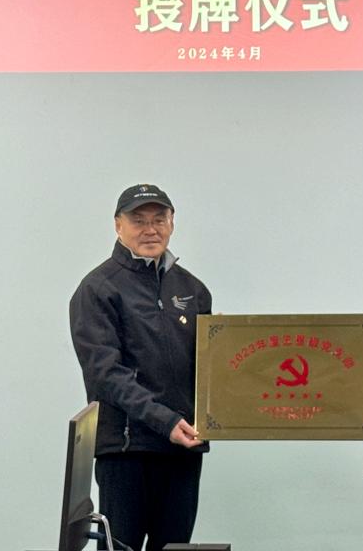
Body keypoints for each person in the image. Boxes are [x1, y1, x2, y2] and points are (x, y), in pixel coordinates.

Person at [70, 184, 212, 551]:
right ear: (118, 225)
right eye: (139, 220)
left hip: (182, 448)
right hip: (125, 450)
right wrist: (165, 421)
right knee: (122, 547)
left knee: (174, 547)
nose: (151, 229)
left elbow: (211, 369)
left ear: (172, 223)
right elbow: (105, 374)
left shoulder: (193, 290)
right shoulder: (97, 289)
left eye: (159, 219)